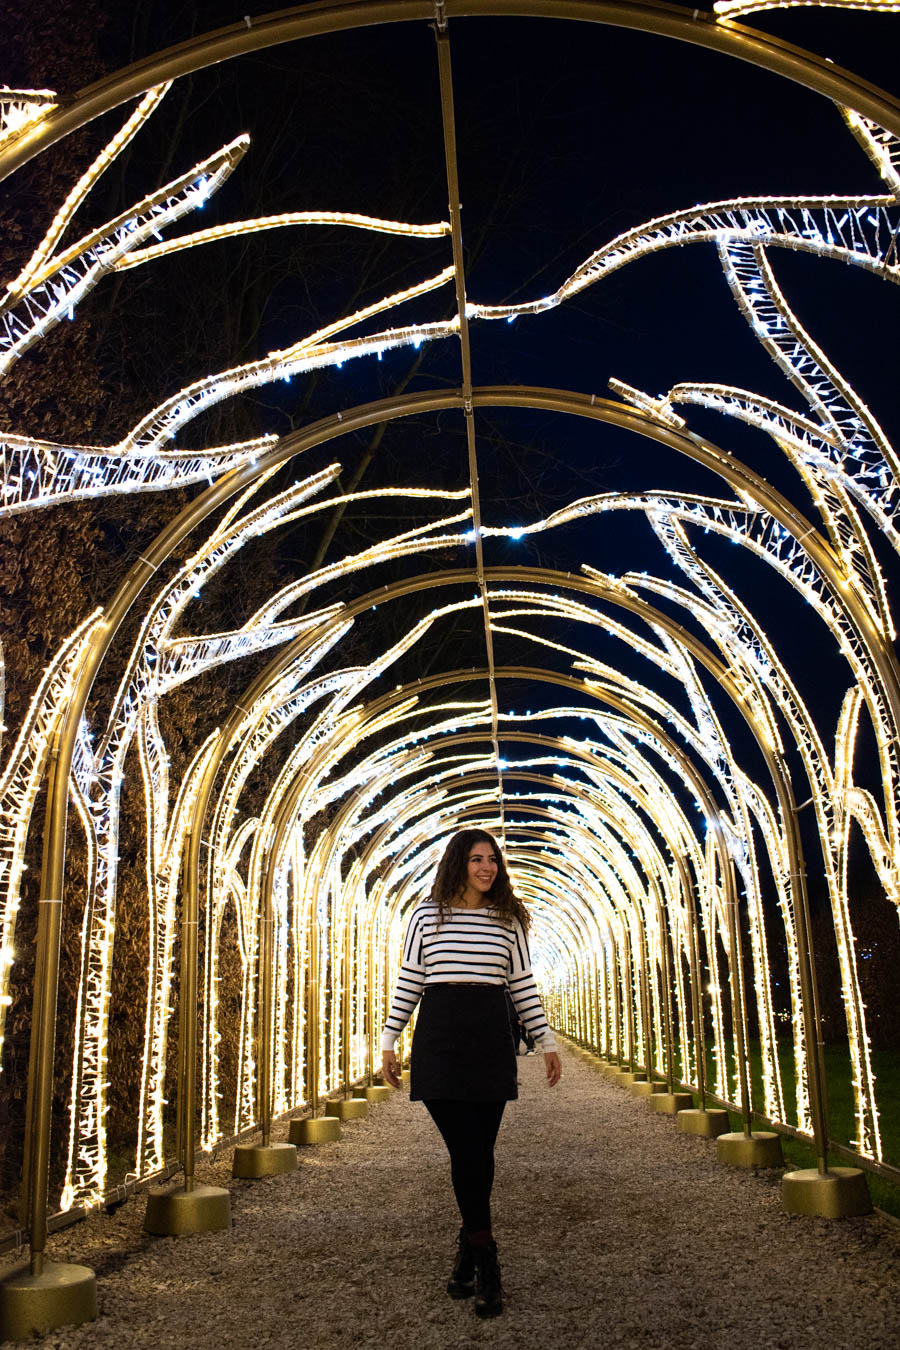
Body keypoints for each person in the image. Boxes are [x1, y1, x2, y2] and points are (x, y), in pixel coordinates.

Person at [381, 827, 561, 1319]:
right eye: (477, 859)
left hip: (488, 1039)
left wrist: (546, 1041)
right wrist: (388, 1040)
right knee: (466, 1148)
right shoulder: (425, 915)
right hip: (439, 1038)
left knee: (479, 1150)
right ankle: (486, 1257)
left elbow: (522, 983)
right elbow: (410, 980)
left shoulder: (508, 921)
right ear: (458, 862)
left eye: (493, 860)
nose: (487, 868)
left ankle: (467, 1253)